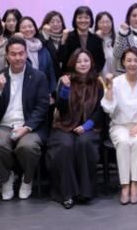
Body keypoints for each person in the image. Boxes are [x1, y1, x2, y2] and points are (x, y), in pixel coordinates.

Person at [0, 37, 50, 201]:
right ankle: (6, 178)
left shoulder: (38, 76)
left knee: (28, 147)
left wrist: (26, 127)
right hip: (4, 124)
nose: (18, 57)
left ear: (26, 54)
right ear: (7, 56)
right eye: (13, 54)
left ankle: (27, 179)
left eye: (21, 53)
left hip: (29, 125)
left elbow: (42, 107)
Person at [47, 49, 105, 209]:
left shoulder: (98, 83)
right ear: (73, 63)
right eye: (79, 61)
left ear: (91, 62)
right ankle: (67, 193)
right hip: (64, 125)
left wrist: (87, 126)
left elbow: (101, 110)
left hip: (89, 127)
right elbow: (60, 109)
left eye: (86, 60)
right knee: (65, 146)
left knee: (84, 143)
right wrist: (65, 89)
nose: (83, 64)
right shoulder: (65, 80)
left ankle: (85, 191)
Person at [102, 48, 137, 205]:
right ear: (123, 62)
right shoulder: (116, 82)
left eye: (136, 60)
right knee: (124, 141)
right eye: (129, 60)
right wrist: (109, 88)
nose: (132, 64)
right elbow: (108, 108)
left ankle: (135, 185)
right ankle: (124, 186)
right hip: (119, 125)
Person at [57, 5, 106, 74]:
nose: (83, 20)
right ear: (75, 20)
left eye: (86, 18)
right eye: (80, 18)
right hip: (70, 76)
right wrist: (63, 41)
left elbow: (101, 60)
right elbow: (60, 58)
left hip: (91, 77)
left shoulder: (96, 39)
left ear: (91, 20)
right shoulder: (68, 36)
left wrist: (93, 73)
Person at [16, 16, 57, 96]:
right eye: (23, 27)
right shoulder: (16, 49)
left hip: (43, 91)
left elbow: (50, 72)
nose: (28, 29)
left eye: (30, 26)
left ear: (35, 28)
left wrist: (51, 93)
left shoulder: (42, 47)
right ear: (18, 31)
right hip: (22, 92)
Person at [39, 10, 67, 79]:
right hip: (47, 77)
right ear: (46, 24)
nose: (55, 24)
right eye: (52, 22)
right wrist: (46, 36)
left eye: (58, 22)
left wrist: (63, 41)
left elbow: (62, 58)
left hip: (64, 76)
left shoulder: (66, 36)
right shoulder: (40, 37)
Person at [94, 11, 116, 76]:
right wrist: (97, 39)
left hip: (115, 77)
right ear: (97, 24)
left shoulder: (117, 39)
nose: (105, 25)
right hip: (98, 77)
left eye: (107, 22)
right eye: (101, 22)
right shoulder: (92, 39)